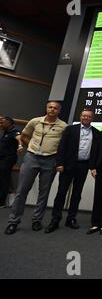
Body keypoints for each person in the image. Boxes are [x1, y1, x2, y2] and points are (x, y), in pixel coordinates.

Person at [5, 101, 67, 235]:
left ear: (59, 111)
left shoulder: (63, 126)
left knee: (43, 193)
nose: (52, 109)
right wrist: (31, 147)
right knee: (21, 191)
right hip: (32, 158)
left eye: (55, 108)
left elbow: (64, 146)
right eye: (50, 107)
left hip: (50, 160)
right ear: (46, 108)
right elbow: (24, 136)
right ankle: (13, 221)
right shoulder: (35, 121)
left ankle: (37, 220)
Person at [45, 109, 100, 233]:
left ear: (92, 118)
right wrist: (59, 163)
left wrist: (93, 167)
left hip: (84, 166)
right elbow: (62, 146)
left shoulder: (96, 133)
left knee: (77, 193)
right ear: (80, 117)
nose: (86, 118)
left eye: (89, 116)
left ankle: (71, 218)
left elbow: (95, 151)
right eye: (84, 115)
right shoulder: (70, 129)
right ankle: (55, 219)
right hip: (68, 165)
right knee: (61, 193)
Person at [0, 117, 21, 208]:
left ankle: (1, 202)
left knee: (3, 179)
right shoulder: (6, 132)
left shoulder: (14, 132)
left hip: (8, 158)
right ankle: (10, 194)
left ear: (9, 123)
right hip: (2, 158)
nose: (1, 125)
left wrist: (20, 145)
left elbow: (19, 138)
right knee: (3, 178)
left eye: (3, 123)